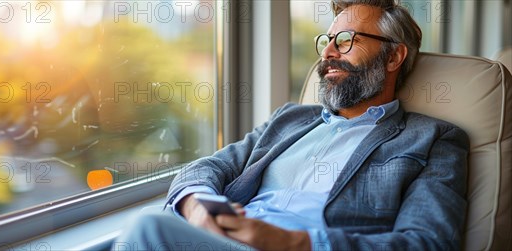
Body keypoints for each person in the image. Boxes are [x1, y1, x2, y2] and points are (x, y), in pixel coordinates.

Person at [112, 0, 469, 250]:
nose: (328, 53)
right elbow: (208, 167)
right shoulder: (290, 119)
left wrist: (292, 243)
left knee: (146, 228)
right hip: (220, 239)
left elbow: (427, 242)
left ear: (393, 56)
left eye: (345, 41)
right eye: (327, 41)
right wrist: (196, 204)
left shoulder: (433, 138)